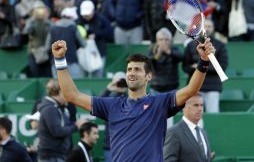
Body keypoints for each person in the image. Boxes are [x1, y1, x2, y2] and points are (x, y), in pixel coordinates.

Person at [51, 36, 215, 162]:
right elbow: (71, 95)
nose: (131, 73)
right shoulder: (111, 105)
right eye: (129, 69)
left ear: (148, 76)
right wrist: (59, 60)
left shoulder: (160, 103)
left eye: (137, 69)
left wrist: (204, 61)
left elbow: (192, 89)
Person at [183, 19, 228, 113]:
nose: (207, 29)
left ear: (213, 28)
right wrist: (199, 68)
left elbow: (222, 67)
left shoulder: (221, 46)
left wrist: (199, 67)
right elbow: (185, 67)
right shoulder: (190, 45)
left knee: (213, 114)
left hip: (213, 87)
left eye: (209, 26)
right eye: (205, 26)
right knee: (194, 116)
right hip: (195, 87)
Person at [37, 79, 86, 162]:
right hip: (51, 157)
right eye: (66, 92)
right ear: (60, 91)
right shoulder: (50, 109)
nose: (68, 96)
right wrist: (76, 126)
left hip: (57, 155)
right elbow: (57, 131)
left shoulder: (57, 107)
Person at [163, 93, 212, 162]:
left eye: (202, 105)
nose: (200, 109)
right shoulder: (173, 133)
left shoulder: (203, 133)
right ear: (184, 107)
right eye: (196, 105)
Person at [101, 71, 128, 162]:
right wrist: (108, 89)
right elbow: (97, 105)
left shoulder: (131, 98)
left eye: (123, 82)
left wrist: (127, 90)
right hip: (111, 146)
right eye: (118, 83)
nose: (120, 85)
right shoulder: (109, 99)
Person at [149, 28, 183, 94]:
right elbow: (149, 64)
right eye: (161, 39)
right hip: (156, 87)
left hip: (172, 87)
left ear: (170, 40)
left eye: (166, 39)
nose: (164, 42)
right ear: (157, 40)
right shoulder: (152, 49)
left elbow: (181, 57)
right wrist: (158, 55)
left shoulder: (174, 48)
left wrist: (169, 52)